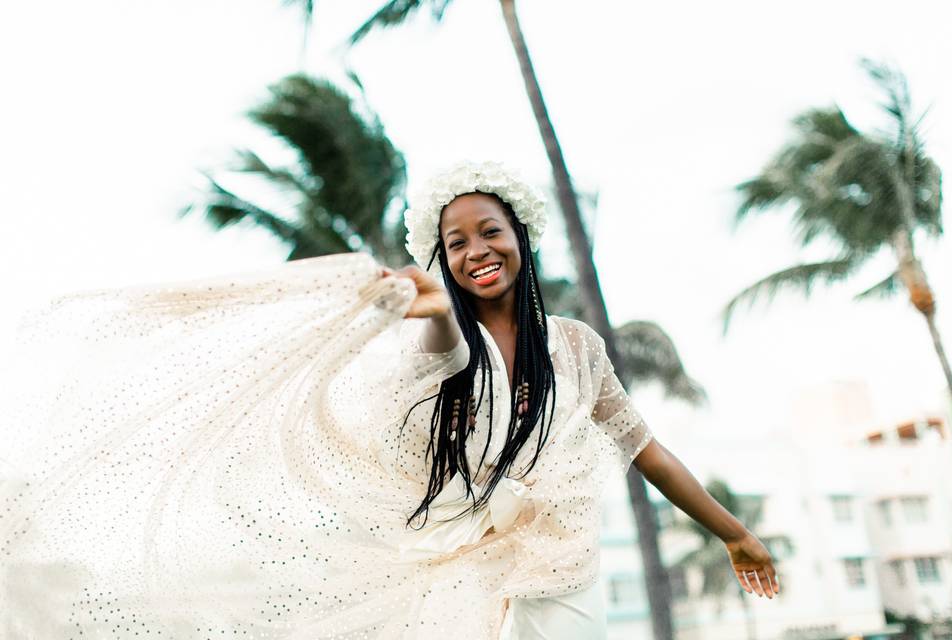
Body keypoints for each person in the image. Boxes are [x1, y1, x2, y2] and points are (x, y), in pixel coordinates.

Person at [0, 161, 777, 639]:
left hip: (561, 561)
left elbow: (646, 450)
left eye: (490, 231)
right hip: (457, 560)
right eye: (457, 242)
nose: (476, 251)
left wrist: (734, 534)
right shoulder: (446, 342)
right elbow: (441, 343)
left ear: (522, 236)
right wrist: (433, 307)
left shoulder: (576, 345)